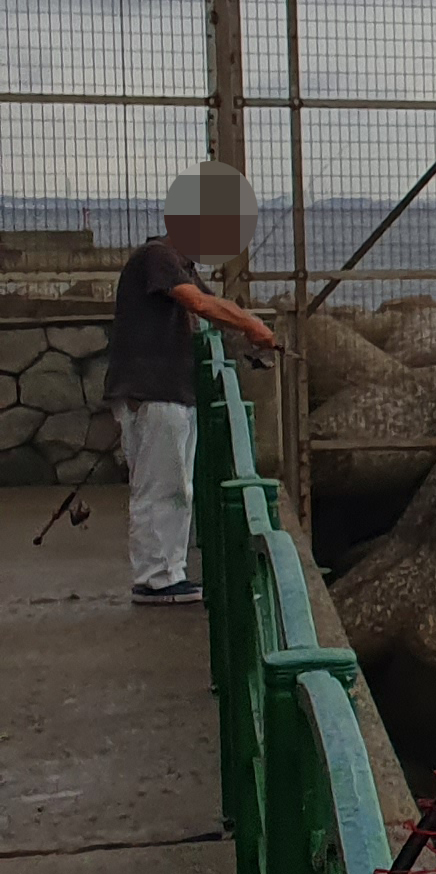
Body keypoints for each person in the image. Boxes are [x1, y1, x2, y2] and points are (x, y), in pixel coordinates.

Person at [107, 165, 280, 607]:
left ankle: (169, 572)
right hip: (155, 390)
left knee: (176, 485)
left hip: (169, 391)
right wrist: (252, 324)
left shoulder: (177, 262)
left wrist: (242, 330)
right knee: (160, 485)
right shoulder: (158, 257)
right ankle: (155, 578)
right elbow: (200, 303)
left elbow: (207, 306)